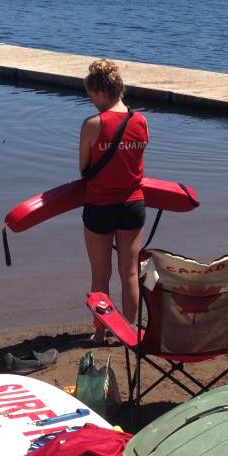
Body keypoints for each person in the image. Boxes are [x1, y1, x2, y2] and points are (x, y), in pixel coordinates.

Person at [79, 59, 149, 334]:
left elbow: (84, 168)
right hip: (133, 205)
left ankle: (100, 330)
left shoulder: (92, 124)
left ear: (100, 91)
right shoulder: (141, 121)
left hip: (99, 205)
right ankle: (129, 331)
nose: (91, 101)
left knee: (100, 272)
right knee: (130, 271)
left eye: (91, 95)